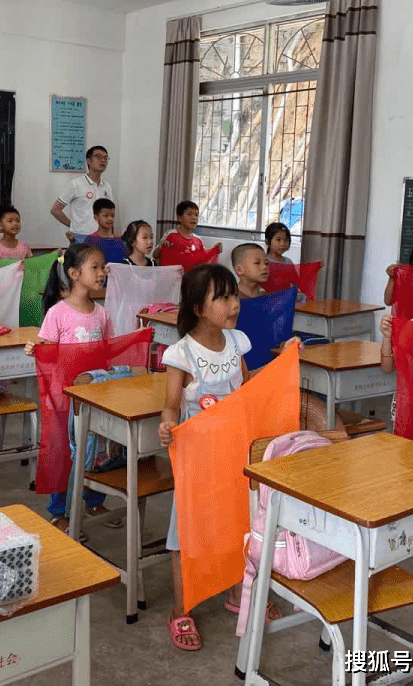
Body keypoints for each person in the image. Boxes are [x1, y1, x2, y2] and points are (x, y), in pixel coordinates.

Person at [157, 264, 266, 651]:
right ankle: (180, 609)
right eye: (222, 297)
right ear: (199, 308)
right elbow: (171, 406)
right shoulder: (182, 353)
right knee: (186, 533)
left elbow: (249, 391)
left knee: (240, 523)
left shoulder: (238, 342)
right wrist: (168, 425)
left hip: (235, 453)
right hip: (198, 461)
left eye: (234, 294)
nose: (234, 304)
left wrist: (284, 361)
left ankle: (239, 593)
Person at [23, 242, 115, 527]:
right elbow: (48, 353)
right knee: (65, 451)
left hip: (95, 395)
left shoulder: (101, 313)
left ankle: (92, 501)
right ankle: (60, 510)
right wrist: (36, 350)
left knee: (96, 449)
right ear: (74, 274)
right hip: (65, 397)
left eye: (103, 267)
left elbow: (108, 352)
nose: (102, 273)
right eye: (95, 268)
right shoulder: (58, 313)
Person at [51, 146, 112, 241]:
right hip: (81, 237)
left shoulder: (107, 186)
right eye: (98, 156)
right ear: (88, 161)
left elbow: (110, 214)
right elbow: (55, 210)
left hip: (103, 238)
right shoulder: (76, 184)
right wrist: (73, 225)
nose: (103, 160)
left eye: (105, 158)